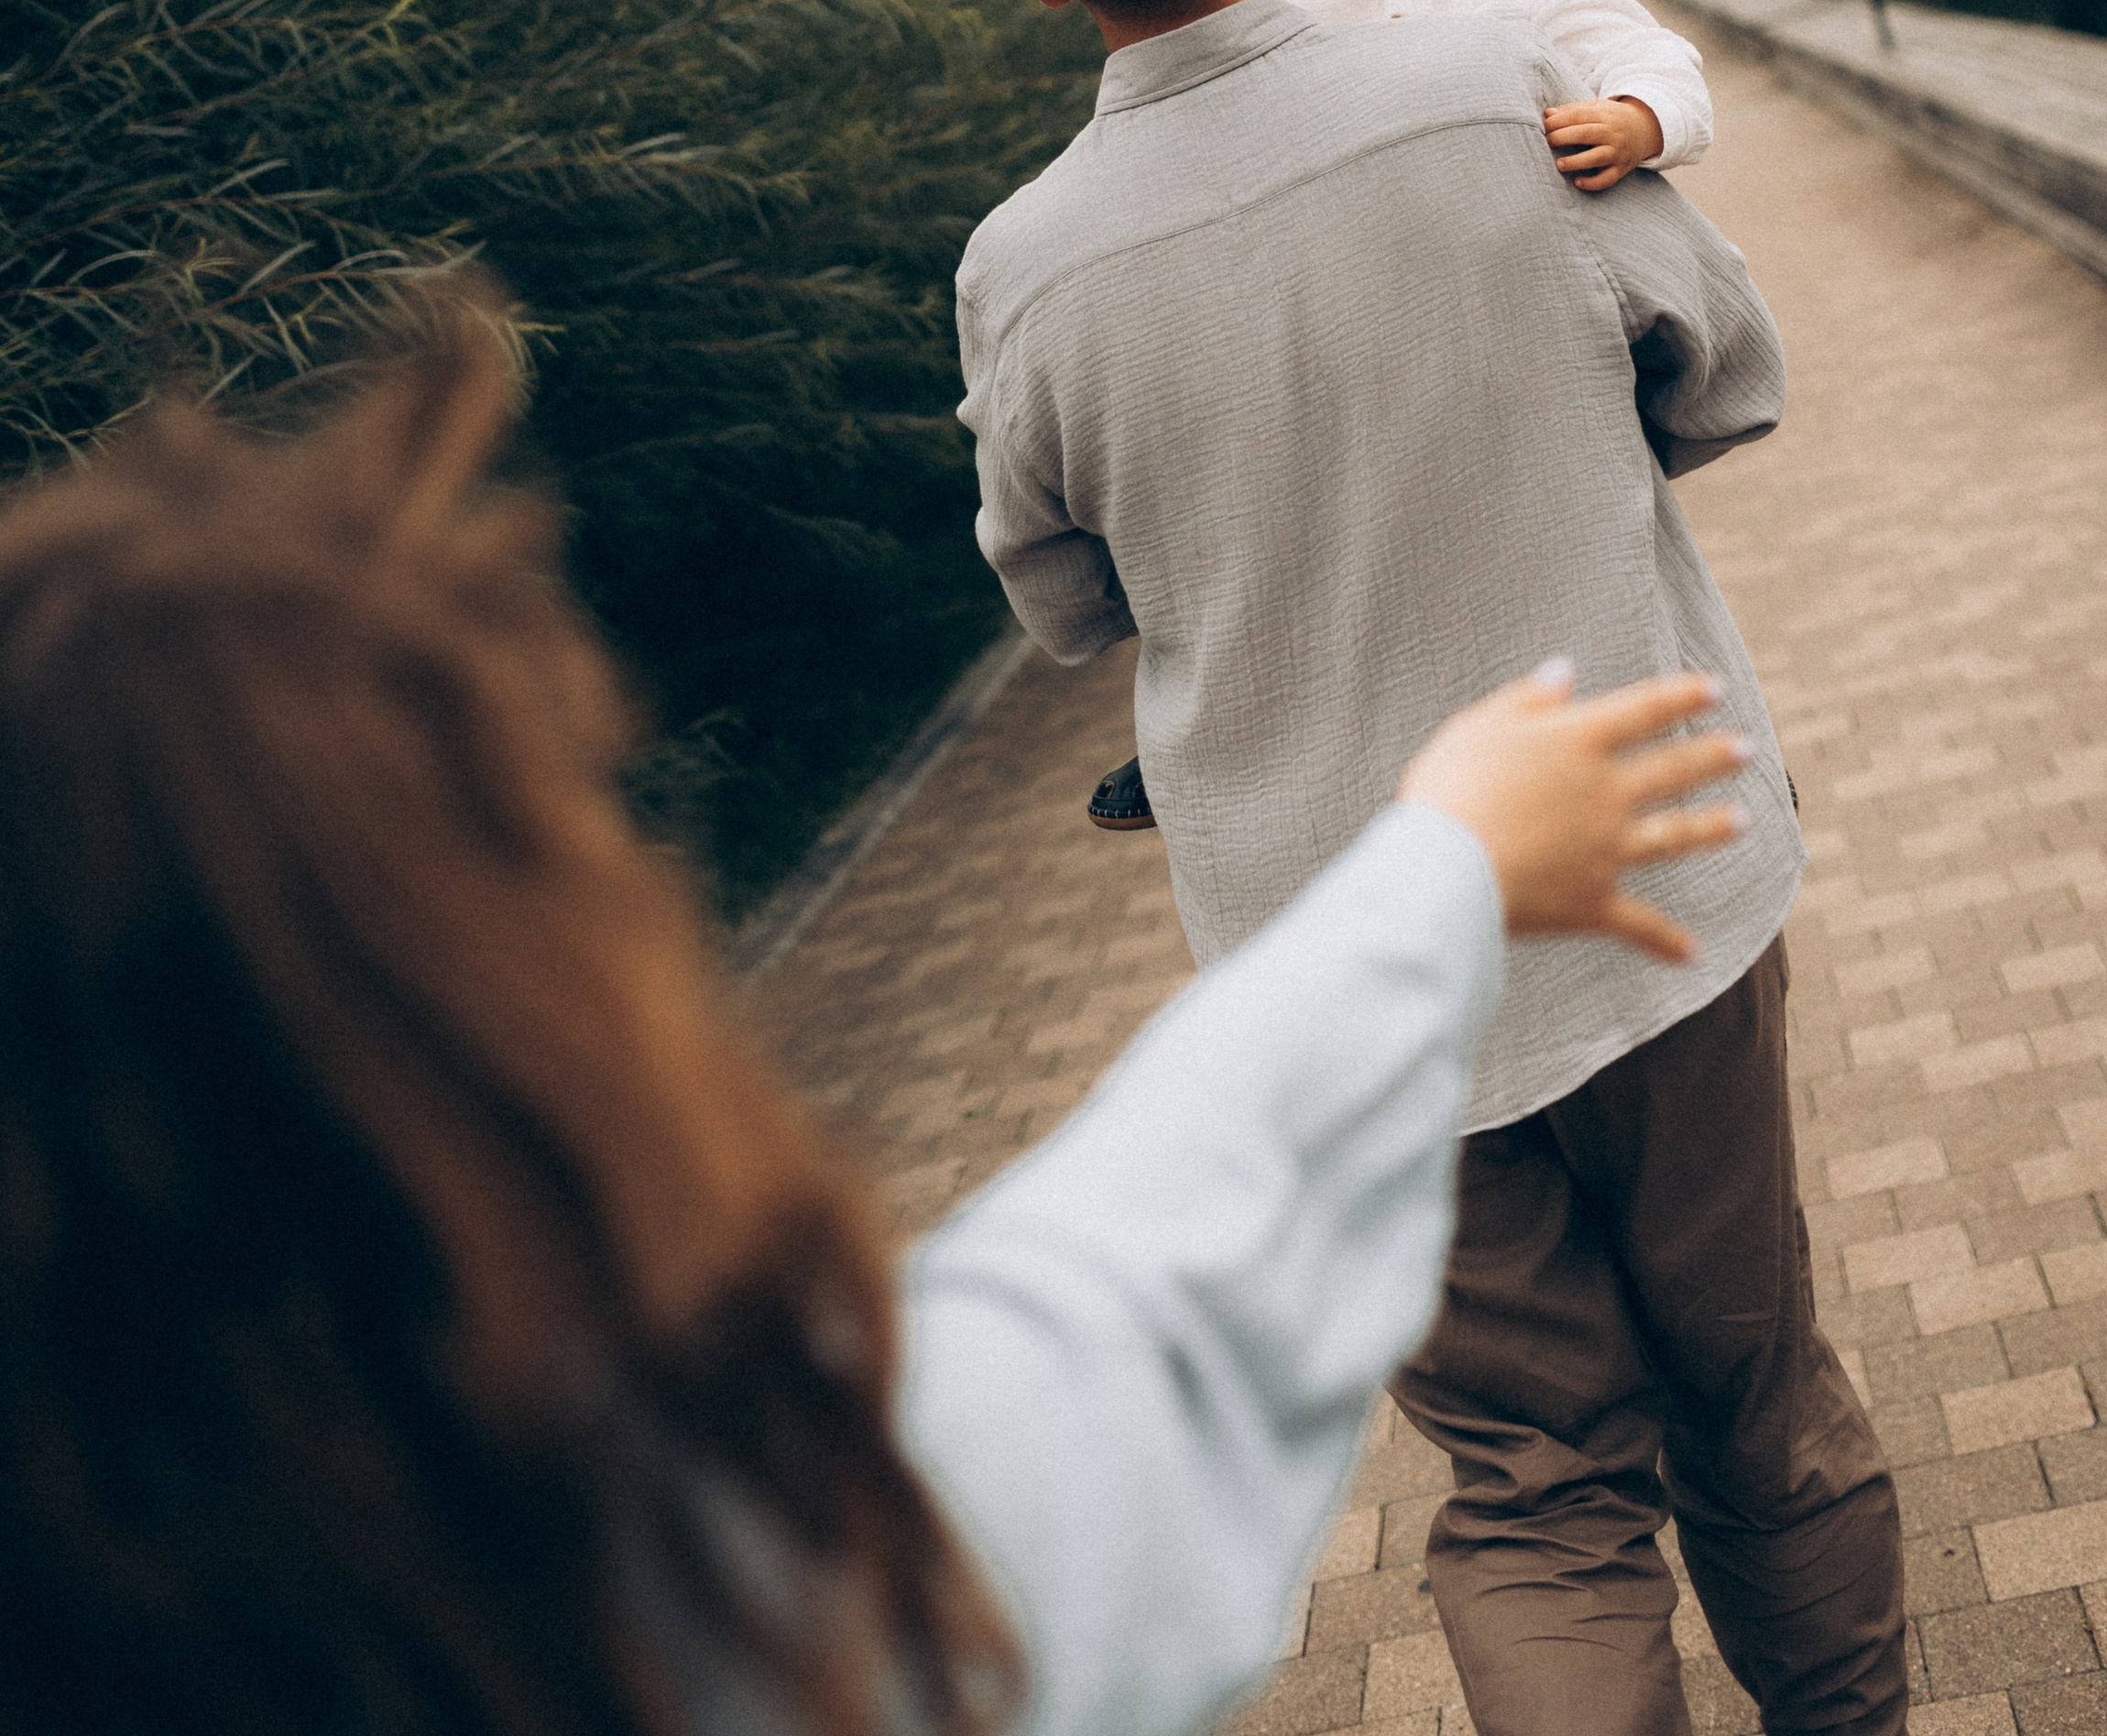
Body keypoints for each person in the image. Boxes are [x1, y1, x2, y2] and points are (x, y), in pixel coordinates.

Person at [0, 294, 1747, 1736]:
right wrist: (1442, 864)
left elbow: (1061, 607)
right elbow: (1134, 1267)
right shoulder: (791, 1587)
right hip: (1595, 954)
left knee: (1535, 1469)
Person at [961, 0, 1906, 1736]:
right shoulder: (1496, 87)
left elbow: (1061, 609)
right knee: (1755, 1386)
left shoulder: (1019, 272)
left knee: (1534, 1476)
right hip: (1650, 860)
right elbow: (1725, 372)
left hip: (1345, 960)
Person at [1086, 0, 1713, 835]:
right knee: (1290, 472)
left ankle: (1675, 740)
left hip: (1534, 301)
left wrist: (1636, 123)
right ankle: (1201, 728)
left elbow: (1658, 62)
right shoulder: (1301, 13)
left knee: (1568, 547)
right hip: (1388, 320)